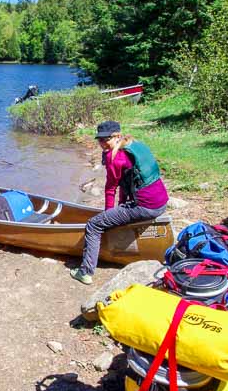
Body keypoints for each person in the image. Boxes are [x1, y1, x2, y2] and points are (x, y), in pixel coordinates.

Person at [70, 121, 169, 284]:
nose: (102, 144)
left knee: (94, 225)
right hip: (161, 202)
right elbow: (126, 183)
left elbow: (110, 189)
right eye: (99, 140)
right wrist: (119, 208)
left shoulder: (114, 157)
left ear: (116, 136)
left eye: (105, 140)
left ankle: (86, 272)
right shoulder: (134, 145)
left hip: (146, 207)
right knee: (115, 214)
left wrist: (107, 216)